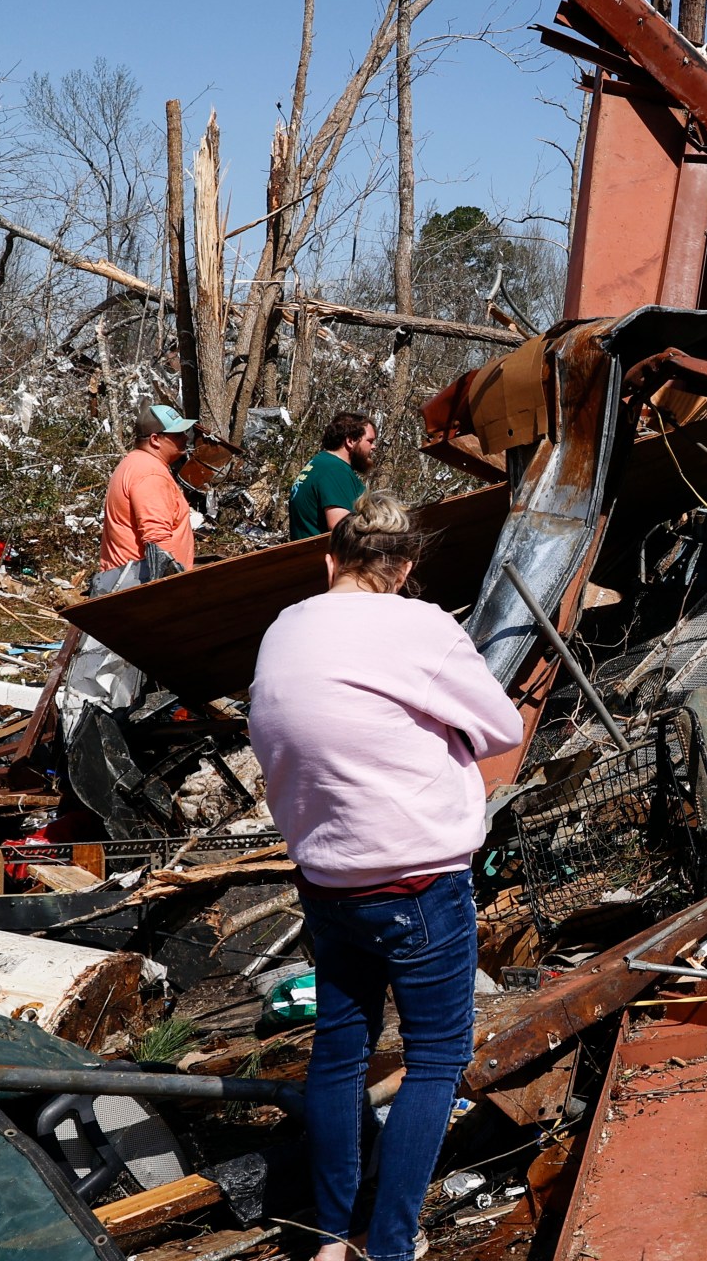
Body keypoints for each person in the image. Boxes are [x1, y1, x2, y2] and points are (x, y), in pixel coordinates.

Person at [248, 495, 522, 1261]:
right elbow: (501, 727)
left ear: (329, 560)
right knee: (436, 1058)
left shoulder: (286, 625)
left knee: (340, 1048)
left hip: (327, 876)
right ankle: (390, 1246)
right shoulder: (420, 624)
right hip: (417, 880)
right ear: (401, 570)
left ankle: (330, 1235)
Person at [98, 403, 199, 591]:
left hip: (125, 583)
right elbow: (157, 540)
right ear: (155, 440)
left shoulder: (133, 463)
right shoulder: (150, 473)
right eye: (177, 434)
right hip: (141, 588)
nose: (185, 437)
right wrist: (172, 589)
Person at [290, 412, 378, 540]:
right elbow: (340, 526)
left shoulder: (319, 464)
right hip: (324, 557)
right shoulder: (334, 470)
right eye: (370, 441)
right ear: (350, 441)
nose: (374, 447)